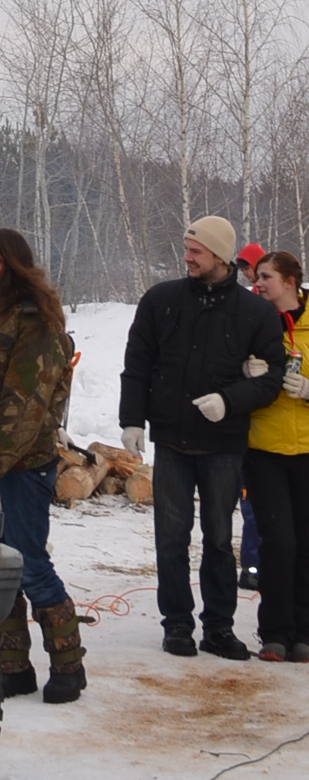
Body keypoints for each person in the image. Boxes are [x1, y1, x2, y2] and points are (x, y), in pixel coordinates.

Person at [119, 214, 285, 659]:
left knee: (218, 539)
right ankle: (176, 623)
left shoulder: (255, 313)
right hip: (172, 441)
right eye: (186, 249)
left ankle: (219, 627)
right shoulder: (161, 300)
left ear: (220, 255)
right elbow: (137, 363)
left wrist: (230, 400)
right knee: (171, 538)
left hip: (224, 446)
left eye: (196, 251)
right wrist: (132, 420)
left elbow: (272, 377)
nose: (187, 257)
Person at [0, 229, 83, 703]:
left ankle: (68, 663)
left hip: (21, 465)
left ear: (1, 264)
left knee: (28, 563)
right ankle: (13, 665)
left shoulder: (34, 321)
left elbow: (25, 406)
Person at [243, 251, 309, 661]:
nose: (259, 283)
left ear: (290, 281)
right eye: (258, 276)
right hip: (264, 448)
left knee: (305, 542)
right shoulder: (255, 320)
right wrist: (247, 376)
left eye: (266, 276)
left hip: (307, 449)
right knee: (279, 542)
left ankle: (303, 632)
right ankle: (274, 632)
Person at [236, 242, 267, 590]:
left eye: (249, 267)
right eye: (244, 269)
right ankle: (252, 566)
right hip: (250, 420)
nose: (247, 274)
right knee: (251, 500)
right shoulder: (246, 306)